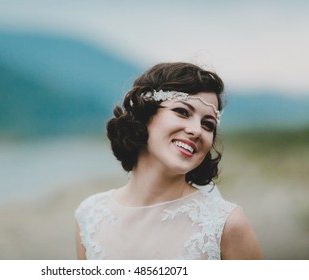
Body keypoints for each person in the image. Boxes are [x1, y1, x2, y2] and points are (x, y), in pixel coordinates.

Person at [75, 62, 262, 260]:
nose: (196, 130)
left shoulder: (227, 225)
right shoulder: (89, 215)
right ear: (145, 114)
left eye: (207, 124)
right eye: (182, 112)